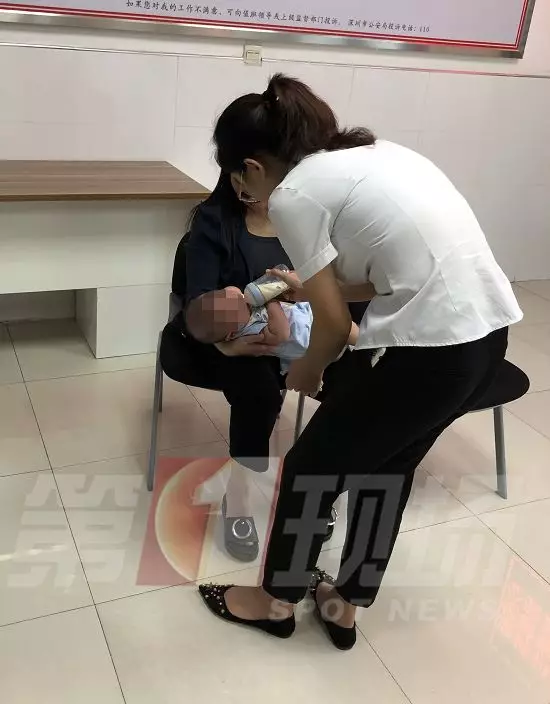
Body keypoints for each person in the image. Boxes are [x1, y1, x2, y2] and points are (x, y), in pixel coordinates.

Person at [198, 74, 523, 649]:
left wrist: (308, 370)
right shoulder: (377, 154)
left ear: (251, 168)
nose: (242, 192)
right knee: (387, 470)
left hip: (429, 353)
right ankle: (345, 605)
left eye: (237, 179)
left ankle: (275, 603)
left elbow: (330, 327)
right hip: (486, 337)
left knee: (309, 470)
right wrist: (311, 289)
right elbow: (380, 278)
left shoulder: (294, 195)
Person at [185, 285, 359, 372]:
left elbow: (232, 289)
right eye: (233, 309)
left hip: (306, 315)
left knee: (340, 313)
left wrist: (232, 292)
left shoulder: (238, 306)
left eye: (223, 296)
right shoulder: (253, 332)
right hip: (311, 341)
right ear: (232, 334)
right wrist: (270, 301)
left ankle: (364, 342)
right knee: (344, 329)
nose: (237, 299)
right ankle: (366, 344)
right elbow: (282, 333)